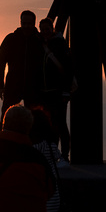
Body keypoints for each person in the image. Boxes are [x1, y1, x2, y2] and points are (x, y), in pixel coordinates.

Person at [0, 11, 46, 113]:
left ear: (34, 23)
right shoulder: (11, 39)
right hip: (13, 86)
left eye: (29, 23)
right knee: (7, 117)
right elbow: (0, 63)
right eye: (24, 23)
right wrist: (0, 86)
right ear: (20, 22)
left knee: (36, 119)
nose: (26, 26)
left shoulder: (40, 40)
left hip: (35, 87)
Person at [38, 18, 72, 158]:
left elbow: (68, 69)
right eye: (43, 29)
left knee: (60, 123)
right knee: (49, 124)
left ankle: (64, 154)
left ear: (52, 29)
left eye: (47, 29)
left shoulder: (60, 45)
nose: (45, 32)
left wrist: (65, 91)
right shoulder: (40, 44)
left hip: (58, 92)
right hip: (45, 92)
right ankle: (52, 153)